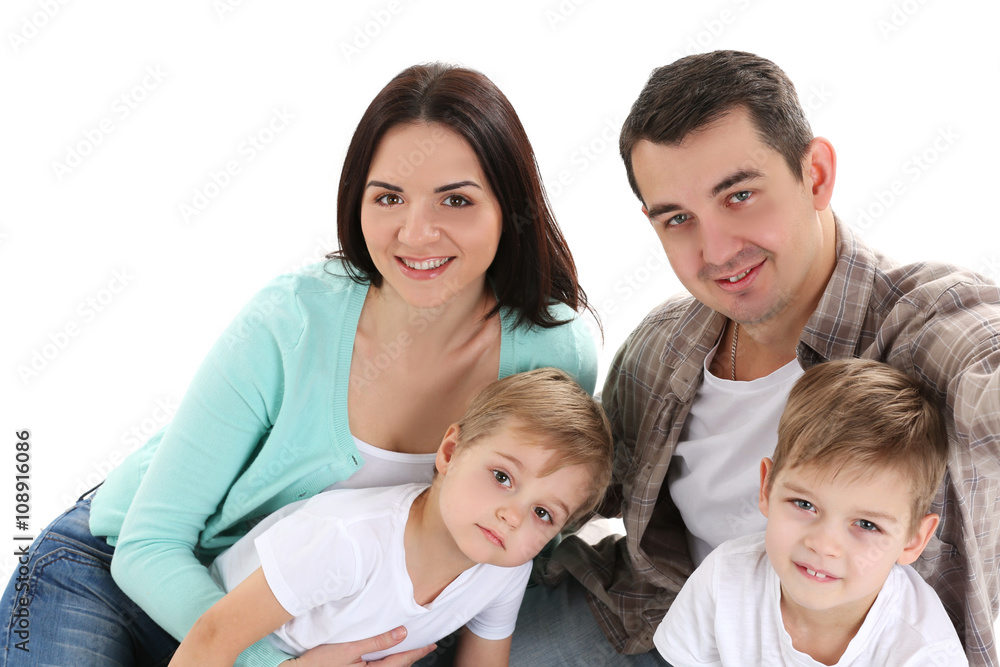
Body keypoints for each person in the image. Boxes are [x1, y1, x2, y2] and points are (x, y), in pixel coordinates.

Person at [1, 63, 599, 667]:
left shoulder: (553, 350)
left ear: (509, 207)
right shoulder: (291, 323)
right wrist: (270, 665)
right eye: (388, 197)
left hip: (311, 630)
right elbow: (150, 544)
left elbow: (519, 529)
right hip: (123, 576)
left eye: (456, 200)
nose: (417, 233)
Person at [510, 50, 1000, 667]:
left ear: (815, 175)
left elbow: (983, 359)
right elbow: (570, 489)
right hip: (668, 620)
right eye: (678, 219)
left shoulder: (921, 328)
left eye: (739, 195)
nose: (716, 250)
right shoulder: (664, 347)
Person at [168, 368, 612, 667]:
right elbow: (211, 637)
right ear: (450, 452)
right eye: (501, 476)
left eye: (542, 513)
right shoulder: (349, 541)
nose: (513, 517)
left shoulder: (504, 570)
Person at [655, 359, 967, 666]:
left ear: (914, 540)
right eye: (805, 505)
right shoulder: (724, 579)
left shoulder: (923, 652)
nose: (823, 545)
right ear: (767, 488)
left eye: (867, 524)